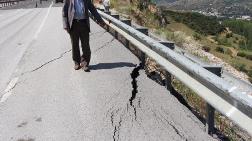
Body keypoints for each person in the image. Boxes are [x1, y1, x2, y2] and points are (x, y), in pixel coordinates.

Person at [62, 0, 105, 71]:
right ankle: (77, 62)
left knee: (85, 45)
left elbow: (93, 9)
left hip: (84, 24)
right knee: (74, 45)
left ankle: (85, 63)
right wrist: (65, 25)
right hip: (73, 24)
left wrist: (100, 20)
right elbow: (64, 12)